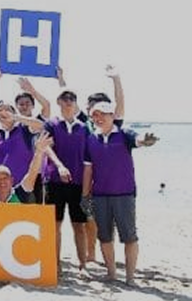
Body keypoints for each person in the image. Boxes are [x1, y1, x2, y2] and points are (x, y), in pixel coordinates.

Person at [83, 101, 147, 285]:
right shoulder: (90, 139)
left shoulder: (124, 134)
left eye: (103, 114)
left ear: (112, 115)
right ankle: (111, 274)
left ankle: (130, 278)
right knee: (104, 237)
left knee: (129, 237)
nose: (99, 118)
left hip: (124, 194)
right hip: (100, 196)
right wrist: (85, 195)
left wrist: (145, 140)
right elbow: (88, 169)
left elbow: (139, 140)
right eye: (95, 115)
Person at [44, 87, 94, 271]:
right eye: (64, 98)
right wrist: (59, 166)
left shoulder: (84, 127)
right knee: (54, 225)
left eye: (72, 99)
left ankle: (83, 265)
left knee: (79, 226)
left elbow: (90, 156)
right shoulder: (51, 124)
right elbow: (46, 147)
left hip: (78, 183)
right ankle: (55, 265)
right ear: (58, 102)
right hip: (54, 182)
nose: (68, 101)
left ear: (75, 103)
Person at [0, 133, 54, 203]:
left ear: (11, 180)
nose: (2, 181)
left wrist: (39, 152)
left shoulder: (20, 193)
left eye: (5, 178)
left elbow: (32, 173)